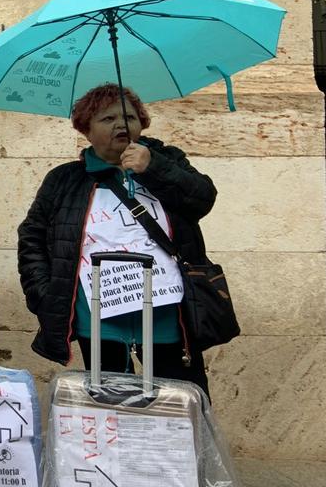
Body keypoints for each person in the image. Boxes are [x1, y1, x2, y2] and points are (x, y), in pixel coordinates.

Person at [18, 83, 215, 396]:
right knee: (111, 408)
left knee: (177, 402)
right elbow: (32, 237)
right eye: (108, 119)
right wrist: (45, 295)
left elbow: (202, 199)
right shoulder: (64, 179)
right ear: (86, 130)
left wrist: (154, 168)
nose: (121, 124)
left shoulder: (168, 161)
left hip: (167, 313)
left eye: (130, 117)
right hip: (97, 316)